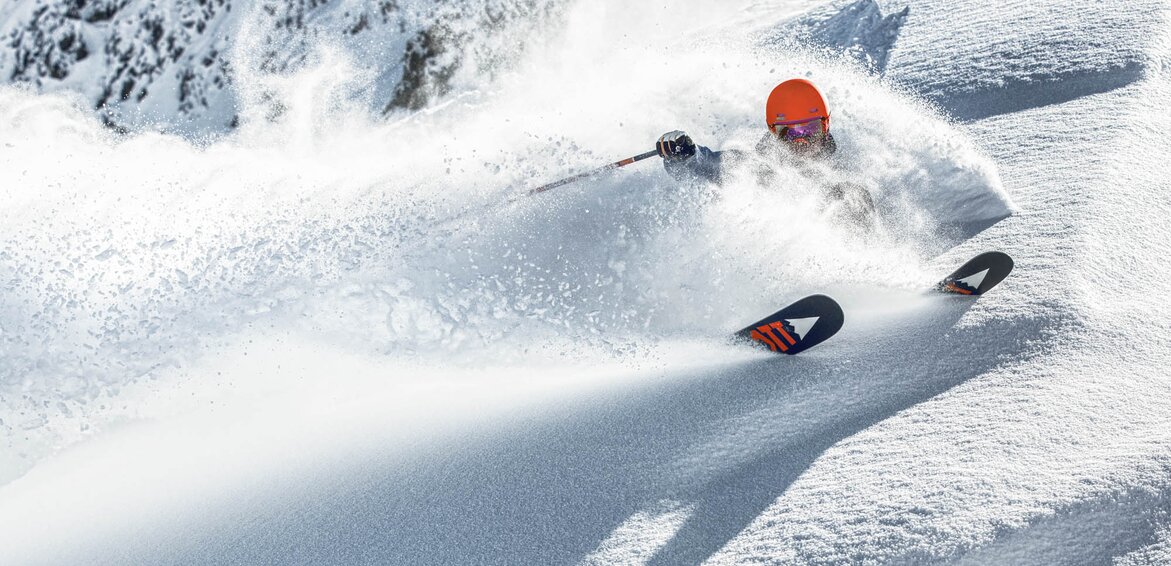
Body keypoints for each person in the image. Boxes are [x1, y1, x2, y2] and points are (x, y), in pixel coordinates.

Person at [656, 78, 875, 227]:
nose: (801, 141)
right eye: (788, 132)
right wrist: (684, 155)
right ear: (773, 131)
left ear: (825, 125)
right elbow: (708, 166)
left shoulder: (845, 181)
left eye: (809, 129)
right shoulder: (756, 169)